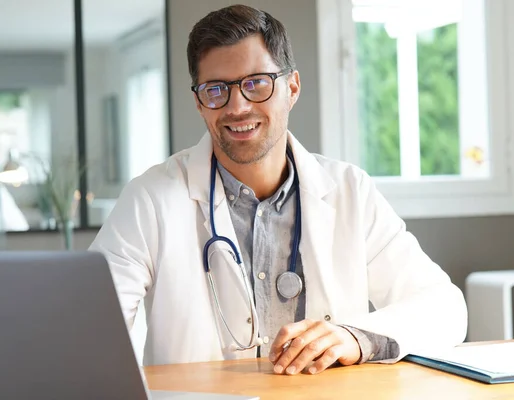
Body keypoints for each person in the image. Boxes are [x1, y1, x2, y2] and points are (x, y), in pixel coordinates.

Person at [89, 4, 467, 375]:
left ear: (292, 87)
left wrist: (355, 338)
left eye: (256, 83)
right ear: (200, 103)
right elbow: (88, 333)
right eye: (216, 89)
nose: (237, 106)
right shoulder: (150, 199)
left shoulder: (350, 191)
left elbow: (445, 308)